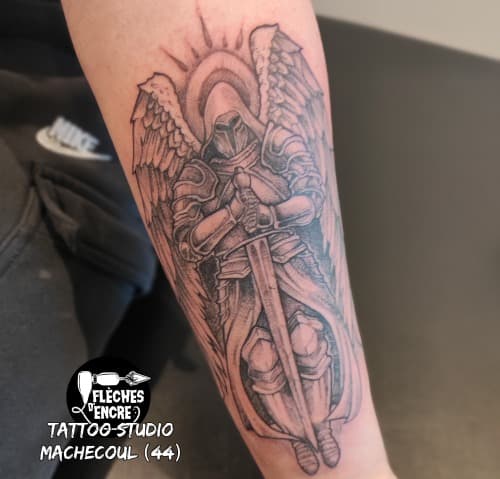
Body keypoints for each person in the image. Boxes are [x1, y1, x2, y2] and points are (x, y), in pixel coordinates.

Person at [61, 1, 395, 478]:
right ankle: (294, 432)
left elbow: (309, 197)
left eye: (236, 122)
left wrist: (273, 209)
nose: (231, 135)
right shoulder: (196, 174)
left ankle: (324, 428)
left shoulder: (277, 143)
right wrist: (233, 213)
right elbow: (189, 238)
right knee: (260, 360)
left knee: (310, 342)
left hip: (291, 259)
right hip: (236, 278)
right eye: (220, 128)